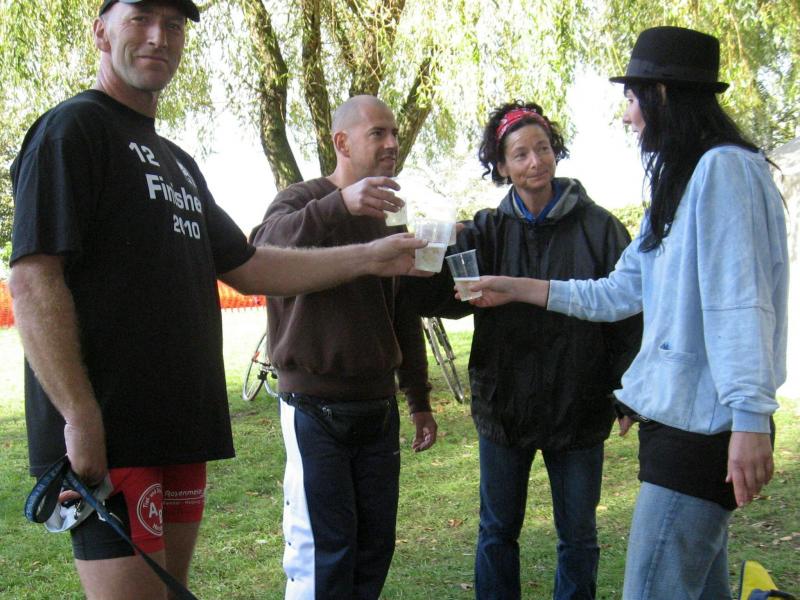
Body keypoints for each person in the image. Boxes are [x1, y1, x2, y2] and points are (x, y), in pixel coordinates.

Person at [8, 2, 427, 598]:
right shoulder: (72, 130)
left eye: (175, 25)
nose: (159, 37)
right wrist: (78, 414)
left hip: (179, 427)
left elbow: (251, 266)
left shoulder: (178, 163)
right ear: (101, 31)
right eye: (140, 18)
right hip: (113, 430)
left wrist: (371, 257)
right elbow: (33, 278)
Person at [468, 26, 788, 600]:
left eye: (632, 99)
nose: (626, 116)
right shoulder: (681, 179)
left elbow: (741, 303)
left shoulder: (723, 170)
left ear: (661, 96)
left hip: (703, 427)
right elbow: (617, 292)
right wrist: (517, 288)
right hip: (673, 420)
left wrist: (749, 418)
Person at [407, 100, 642, 599]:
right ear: (501, 166)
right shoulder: (485, 231)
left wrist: (626, 393)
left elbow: (628, 315)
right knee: (497, 530)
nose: (536, 162)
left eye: (543, 148)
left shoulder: (600, 229)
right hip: (505, 405)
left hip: (579, 405)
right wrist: (429, 252)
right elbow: (442, 301)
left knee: (578, 536)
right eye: (520, 154)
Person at [249, 95, 438, 600]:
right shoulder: (301, 199)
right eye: (378, 133)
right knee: (322, 554)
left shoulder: (389, 216)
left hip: (378, 409)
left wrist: (417, 398)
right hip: (314, 408)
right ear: (342, 142)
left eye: (394, 132)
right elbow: (261, 249)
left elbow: (401, 312)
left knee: (374, 549)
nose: (392, 142)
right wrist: (340, 204)